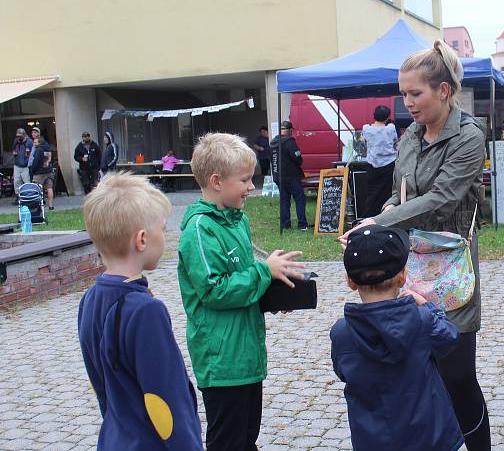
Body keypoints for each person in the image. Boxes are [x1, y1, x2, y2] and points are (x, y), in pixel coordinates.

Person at [339, 40, 491, 450]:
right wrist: (372, 223)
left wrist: (382, 218)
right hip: (413, 263)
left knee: (458, 374)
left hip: (451, 266)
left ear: (443, 90)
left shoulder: (469, 135)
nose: (407, 102)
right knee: (425, 370)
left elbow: (443, 198)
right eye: (403, 93)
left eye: (415, 93)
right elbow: (399, 193)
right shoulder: (410, 136)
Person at [177, 132, 306, 451]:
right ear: (217, 181)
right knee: (227, 441)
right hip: (222, 362)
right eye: (245, 180)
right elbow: (214, 290)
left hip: (247, 354)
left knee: (247, 437)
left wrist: (271, 290)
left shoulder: (237, 221)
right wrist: (264, 271)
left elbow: (241, 278)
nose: (252, 187)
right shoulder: (199, 230)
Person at [77, 172, 203, 450]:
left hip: (114, 438)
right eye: (163, 228)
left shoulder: (89, 299)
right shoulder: (146, 310)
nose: (166, 235)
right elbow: (167, 397)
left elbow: (103, 389)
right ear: (142, 239)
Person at [331, 224, 464, 451]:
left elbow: (343, 371)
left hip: (373, 441)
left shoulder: (342, 332)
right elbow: (449, 337)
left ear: (350, 282)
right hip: (431, 438)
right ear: (403, 277)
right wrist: (426, 305)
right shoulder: (422, 320)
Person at [269, 120, 308, 230]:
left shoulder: (273, 143)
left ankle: (285, 225)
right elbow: (298, 158)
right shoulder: (289, 142)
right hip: (291, 176)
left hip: (278, 176)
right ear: (290, 130)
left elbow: (271, 159)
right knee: (299, 198)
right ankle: (302, 224)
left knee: (284, 200)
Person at [362, 105, 398, 218]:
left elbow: (363, 143)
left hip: (372, 164)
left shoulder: (366, 128)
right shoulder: (391, 128)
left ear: (374, 115)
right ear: (387, 117)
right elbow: (395, 142)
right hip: (389, 164)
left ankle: (367, 218)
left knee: (371, 194)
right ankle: (385, 217)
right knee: (387, 194)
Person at [29, 129, 55, 210]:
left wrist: (32, 170)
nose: (34, 143)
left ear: (39, 142)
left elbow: (36, 161)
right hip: (48, 171)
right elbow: (49, 158)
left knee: (37, 189)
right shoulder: (47, 148)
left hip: (39, 173)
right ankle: (51, 206)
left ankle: (39, 206)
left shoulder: (38, 149)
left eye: (35, 142)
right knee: (49, 188)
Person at [12, 127, 33, 203]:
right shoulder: (16, 141)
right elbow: (13, 150)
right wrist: (14, 153)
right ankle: (18, 197)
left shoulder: (29, 141)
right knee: (17, 182)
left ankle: (28, 197)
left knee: (27, 181)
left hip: (26, 165)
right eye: (17, 136)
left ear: (24, 134)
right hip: (17, 164)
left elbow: (29, 153)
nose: (18, 137)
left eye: (20, 136)